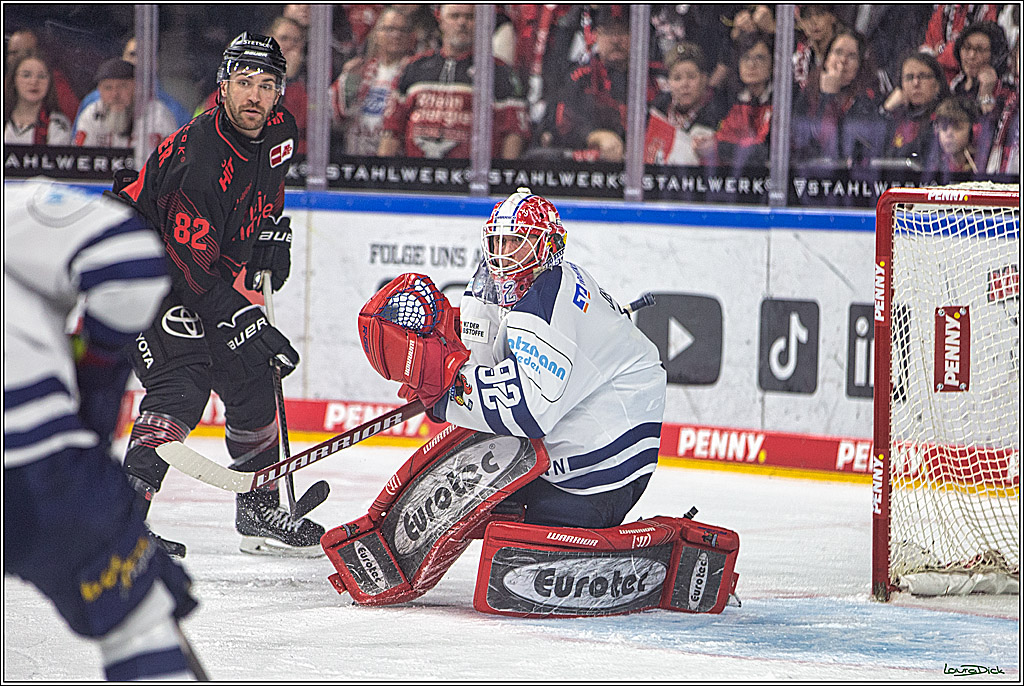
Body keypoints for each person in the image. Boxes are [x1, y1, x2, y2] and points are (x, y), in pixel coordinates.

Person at [116, 32, 324, 558]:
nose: (255, 96)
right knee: (182, 383)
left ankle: (258, 508)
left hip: (194, 273)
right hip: (139, 273)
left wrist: (271, 235)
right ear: (223, 85)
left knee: (253, 373)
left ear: (280, 92)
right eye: (245, 83)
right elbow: (188, 278)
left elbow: (267, 192)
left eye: (267, 85)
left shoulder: (281, 129)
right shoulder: (202, 159)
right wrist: (244, 319)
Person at [4, 178, 203, 680]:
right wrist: (98, 372)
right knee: (137, 628)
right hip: (32, 464)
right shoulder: (13, 208)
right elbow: (130, 265)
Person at [377, 4, 528, 160]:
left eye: (470, 17)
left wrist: (505, 177)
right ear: (440, 19)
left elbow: (514, 133)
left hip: (473, 176)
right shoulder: (413, 67)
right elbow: (391, 130)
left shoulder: (499, 72)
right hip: (417, 176)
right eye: (454, 16)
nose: (462, 23)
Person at [535, 7, 663, 163]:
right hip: (589, 165)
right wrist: (594, 136)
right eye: (608, 32)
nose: (616, 40)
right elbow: (561, 123)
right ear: (596, 36)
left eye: (623, 32)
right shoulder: (580, 76)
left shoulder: (653, 79)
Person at [194, 17, 309, 154]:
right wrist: (287, 80)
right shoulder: (236, 83)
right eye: (284, 38)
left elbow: (302, 126)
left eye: (296, 41)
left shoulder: (311, 80)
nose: (290, 46)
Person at [331, 6, 415, 156]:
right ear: (376, 34)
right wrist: (348, 85)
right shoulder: (359, 70)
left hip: (396, 163)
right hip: (355, 160)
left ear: (411, 36)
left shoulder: (416, 73)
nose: (396, 35)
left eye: (402, 30)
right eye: (389, 29)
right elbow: (330, 117)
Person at [791, 29, 882, 166]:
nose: (843, 61)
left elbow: (844, 148)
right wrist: (825, 98)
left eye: (851, 56)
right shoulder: (807, 94)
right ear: (826, 60)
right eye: (838, 52)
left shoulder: (867, 99)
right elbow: (802, 143)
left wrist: (829, 96)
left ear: (860, 65)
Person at [74, 36, 192, 130]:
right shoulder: (92, 102)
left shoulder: (170, 108)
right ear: (122, 58)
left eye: (145, 55)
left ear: (156, 63)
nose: (138, 61)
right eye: (132, 54)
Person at [644, 42, 725, 166]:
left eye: (691, 77)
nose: (684, 84)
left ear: (704, 79)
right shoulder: (656, 111)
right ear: (669, 82)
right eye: (677, 78)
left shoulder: (720, 113)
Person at [73, 58, 177, 149]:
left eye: (122, 86)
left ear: (137, 88)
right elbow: (80, 159)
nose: (115, 95)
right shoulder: (91, 114)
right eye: (108, 88)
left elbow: (169, 162)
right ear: (99, 90)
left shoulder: (157, 116)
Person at [712, 30, 774, 170]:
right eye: (745, 58)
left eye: (759, 58)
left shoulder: (783, 100)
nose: (751, 65)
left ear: (772, 64)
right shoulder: (727, 99)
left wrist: (718, 147)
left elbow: (767, 151)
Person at [880, 52, 950, 167]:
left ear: (937, 84)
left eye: (922, 76)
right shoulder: (895, 117)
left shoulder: (945, 117)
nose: (916, 83)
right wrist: (886, 109)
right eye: (909, 77)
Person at [5, 27, 80, 121]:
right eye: (12, 53)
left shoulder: (55, 86)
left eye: (23, 52)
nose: (15, 58)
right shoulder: (7, 84)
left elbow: (73, 120)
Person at [4, 53, 73, 145]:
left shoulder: (58, 124)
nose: (34, 82)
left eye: (41, 76)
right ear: (13, 79)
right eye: (26, 75)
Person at [928, 96, 983, 176]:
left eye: (957, 128)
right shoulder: (934, 167)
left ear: (973, 131)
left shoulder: (982, 165)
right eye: (944, 128)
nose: (949, 134)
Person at [792, 5, 840, 91]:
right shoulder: (799, 58)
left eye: (820, 13)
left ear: (832, 17)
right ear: (800, 23)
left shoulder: (845, 52)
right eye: (807, 16)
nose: (814, 21)